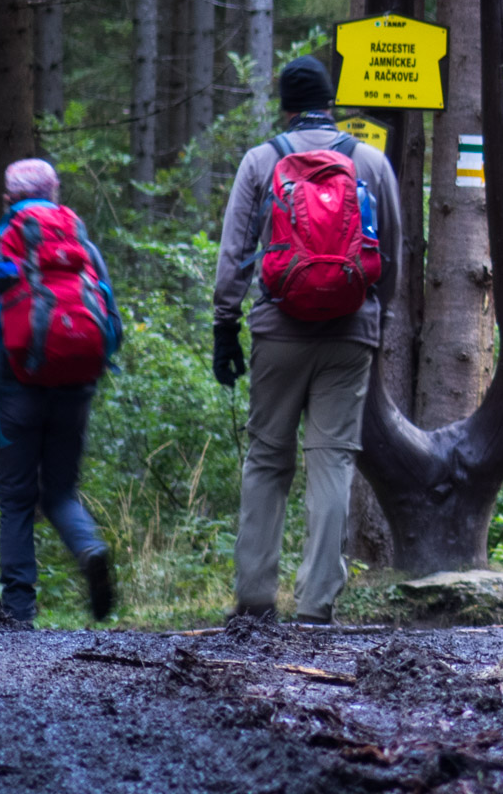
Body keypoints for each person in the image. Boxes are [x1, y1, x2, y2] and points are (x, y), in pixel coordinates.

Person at [213, 56, 401, 624]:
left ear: (285, 107)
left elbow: (236, 249)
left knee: (267, 458)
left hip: (278, 330)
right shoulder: (369, 160)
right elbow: (391, 249)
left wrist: (225, 323)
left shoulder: (261, 161)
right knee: (333, 461)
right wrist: (376, 317)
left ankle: (253, 598)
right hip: (351, 333)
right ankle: (317, 603)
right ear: (331, 102)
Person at [0, 158, 121, 627]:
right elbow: (112, 321)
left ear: (8, 199)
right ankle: (89, 548)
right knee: (60, 492)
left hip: (17, 392)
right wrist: (97, 371)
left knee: (17, 499)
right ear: (55, 192)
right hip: (76, 388)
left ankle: (20, 612)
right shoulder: (83, 246)